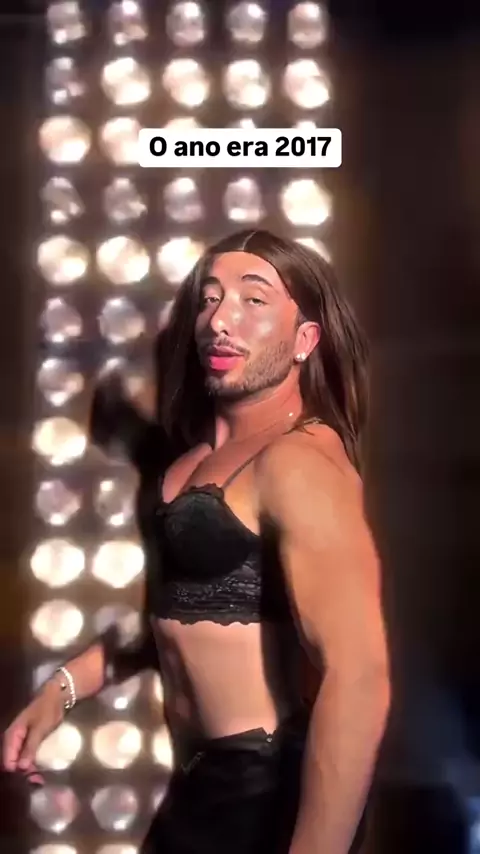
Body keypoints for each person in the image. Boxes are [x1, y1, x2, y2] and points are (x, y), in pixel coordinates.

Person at [3, 229, 390, 853]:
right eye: (210, 299)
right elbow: (177, 619)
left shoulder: (298, 463)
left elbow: (360, 674)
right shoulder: (191, 460)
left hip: (263, 793)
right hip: (199, 785)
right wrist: (63, 689)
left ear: (305, 340)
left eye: (253, 299)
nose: (220, 320)